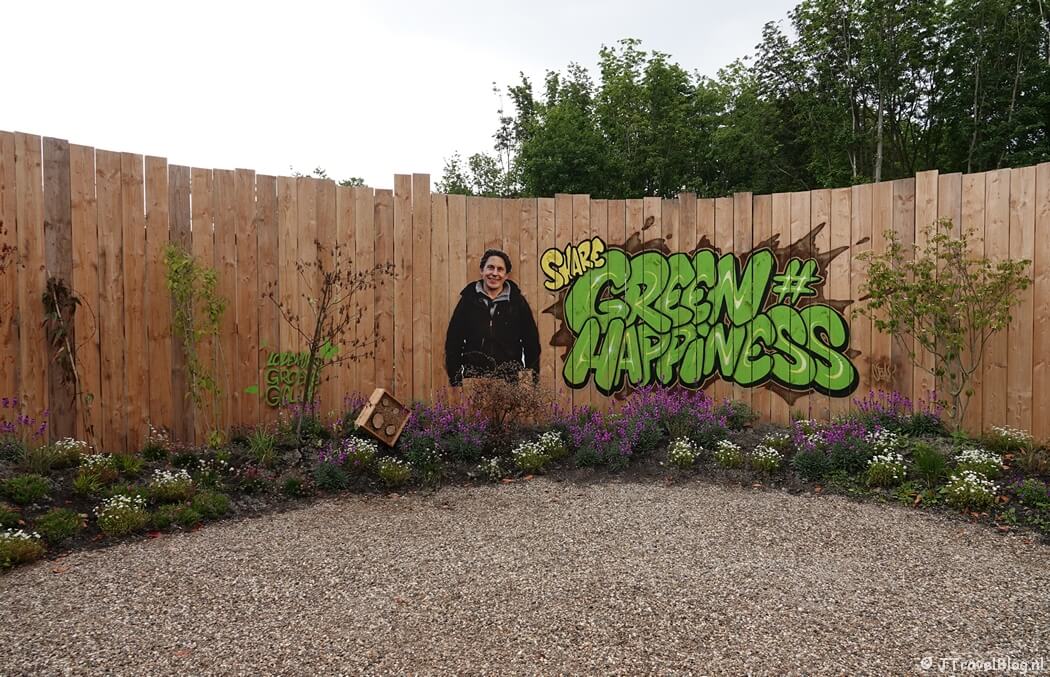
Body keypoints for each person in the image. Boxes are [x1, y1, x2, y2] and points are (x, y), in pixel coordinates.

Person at [445, 248, 541, 386]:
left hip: (509, 381)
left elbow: (531, 345)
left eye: (500, 269)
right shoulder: (468, 300)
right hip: (474, 379)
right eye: (490, 267)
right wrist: (456, 380)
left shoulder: (517, 302)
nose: (495, 273)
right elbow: (454, 342)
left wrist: (530, 382)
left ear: (506, 275)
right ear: (482, 270)